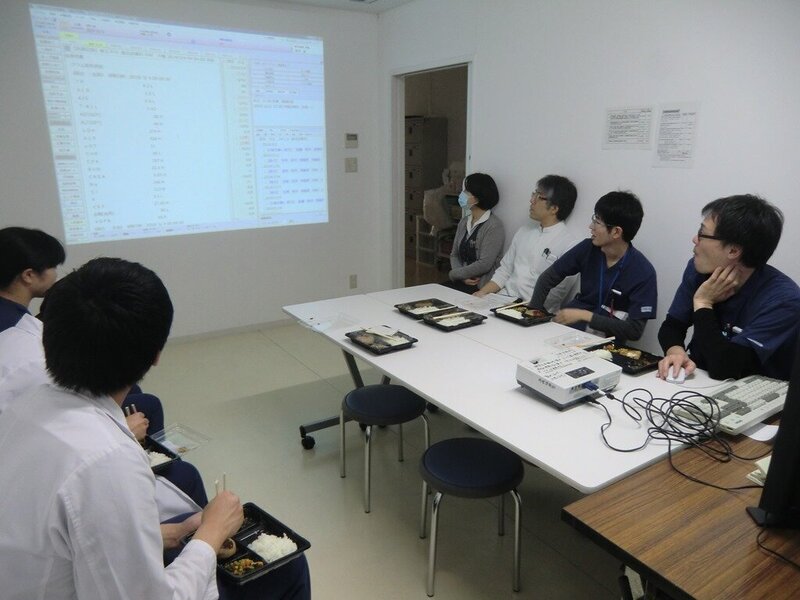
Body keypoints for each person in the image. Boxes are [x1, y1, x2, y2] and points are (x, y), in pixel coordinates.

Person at [0, 257, 310, 599]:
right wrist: (210, 534)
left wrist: (177, 532)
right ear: (156, 355)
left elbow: (76, 540)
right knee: (289, 568)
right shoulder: (107, 462)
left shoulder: (24, 408)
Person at [0, 227, 163, 433]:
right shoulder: (23, 340)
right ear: (29, 275)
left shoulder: (15, 320)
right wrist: (122, 429)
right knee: (149, 404)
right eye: (52, 266)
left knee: (132, 389)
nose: (56, 273)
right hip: (46, 420)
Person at [657, 194, 800, 381]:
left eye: (702, 233)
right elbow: (671, 327)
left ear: (733, 250)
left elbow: (725, 368)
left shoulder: (784, 300)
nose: (694, 239)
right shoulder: (699, 270)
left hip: (751, 391)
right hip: (700, 378)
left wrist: (703, 302)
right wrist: (676, 352)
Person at [528, 191, 657, 342]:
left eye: (597, 222)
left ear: (616, 232)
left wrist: (586, 316)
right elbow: (547, 278)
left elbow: (634, 331)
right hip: (569, 332)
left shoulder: (643, 272)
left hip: (605, 344)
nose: (591, 226)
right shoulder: (587, 248)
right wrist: (534, 314)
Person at [474, 174, 579, 313]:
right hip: (502, 301)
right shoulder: (524, 231)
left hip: (535, 311)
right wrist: (481, 293)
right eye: (533, 194)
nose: (531, 200)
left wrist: (521, 310)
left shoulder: (570, 245)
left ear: (554, 208)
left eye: (539, 197)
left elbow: (556, 294)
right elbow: (504, 270)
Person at [445, 172, 505, 293]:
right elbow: (454, 254)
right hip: (461, 281)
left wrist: (454, 274)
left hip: (480, 287)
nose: (462, 194)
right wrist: (461, 277)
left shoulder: (494, 226)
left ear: (477, 198)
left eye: (466, 191)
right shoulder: (464, 222)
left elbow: (484, 264)